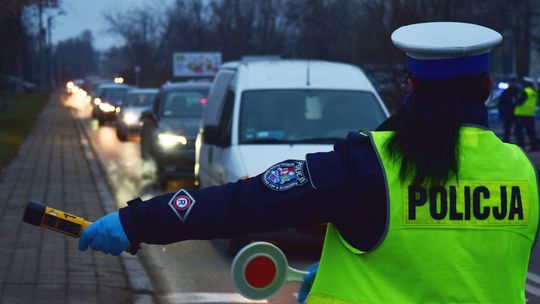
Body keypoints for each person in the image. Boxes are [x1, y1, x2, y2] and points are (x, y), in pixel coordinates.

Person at [79, 22, 539, 303]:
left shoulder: (368, 165)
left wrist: (138, 220)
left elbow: (245, 203)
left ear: (410, 87)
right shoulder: (521, 170)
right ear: (486, 89)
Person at [514, 77, 539, 151]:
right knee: (531, 131)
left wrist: (515, 101)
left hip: (522, 114)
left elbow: (519, 102)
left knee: (518, 131)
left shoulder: (525, 91)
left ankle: (521, 147)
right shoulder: (533, 92)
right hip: (530, 114)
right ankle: (534, 146)